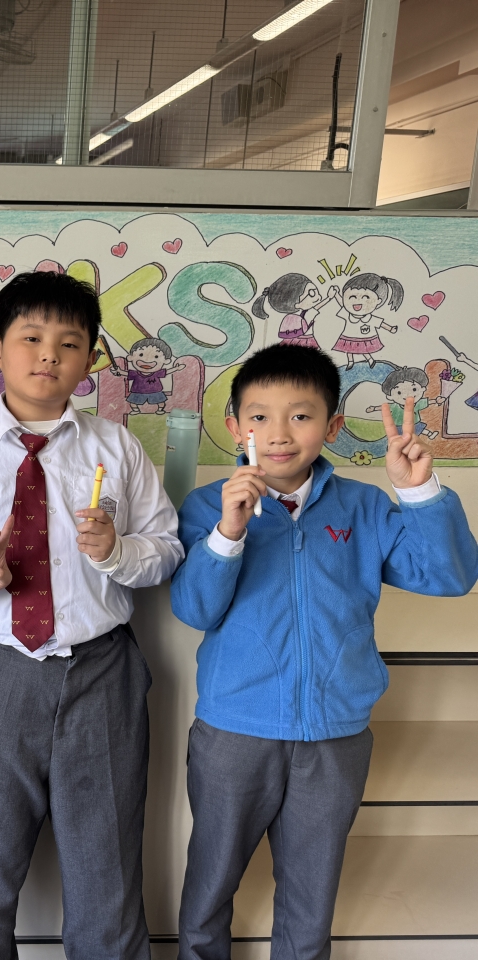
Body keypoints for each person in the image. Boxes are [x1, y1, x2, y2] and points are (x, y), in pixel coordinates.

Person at [170, 342, 478, 960]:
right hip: (235, 732)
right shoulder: (208, 505)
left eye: (301, 416)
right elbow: (194, 609)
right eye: (260, 416)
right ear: (234, 426)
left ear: (333, 426)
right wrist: (230, 531)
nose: (280, 433)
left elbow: (449, 576)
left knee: (311, 896)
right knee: (211, 883)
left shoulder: (363, 506)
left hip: (336, 734)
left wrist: (419, 491)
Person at [0, 270, 183, 960]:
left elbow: (165, 550)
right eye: (30, 338)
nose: (48, 356)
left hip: (101, 673)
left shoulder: (117, 449)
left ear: (90, 360)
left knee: (107, 869)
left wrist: (117, 551)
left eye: (68, 343)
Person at [331, 272, 402, 369]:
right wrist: (336, 295)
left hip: (364, 337)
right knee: (349, 350)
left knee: (364, 349)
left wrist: (390, 328)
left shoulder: (369, 318)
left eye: (366, 297)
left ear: (378, 301)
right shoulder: (348, 314)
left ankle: (370, 360)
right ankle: (350, 362)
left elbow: (380, 323)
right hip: (348, 336)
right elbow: (341, 304)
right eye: (352, 297)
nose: (357, 301)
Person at [251, 272, 334, 349]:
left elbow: (316, 308)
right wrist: (329, 298)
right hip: (304, 343)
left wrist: (329, 297)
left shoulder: (295, 316)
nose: (318, 296)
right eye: (312, 293)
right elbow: (316, 309)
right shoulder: (297, 318)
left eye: (316, 291)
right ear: (296, 303)